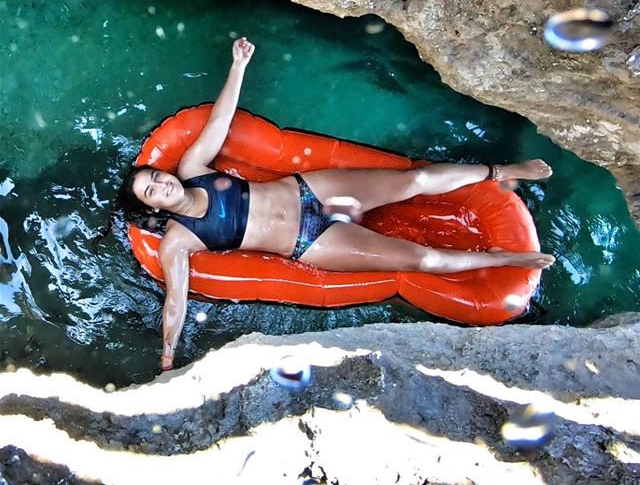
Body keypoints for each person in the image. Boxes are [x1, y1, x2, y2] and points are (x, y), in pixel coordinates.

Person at [105, 37, 555, 371]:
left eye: (156, 177)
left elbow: (220, 122)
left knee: (413, 179)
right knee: (420, 259)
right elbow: (175, 302)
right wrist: (167, 355)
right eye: (151, 190)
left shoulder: (193, 166)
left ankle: (501, 171)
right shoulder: (178, 242)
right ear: (155, 208)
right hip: (309, 242)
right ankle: (509, 258)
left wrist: (238, 66)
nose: (161, 183)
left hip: (309, 190)